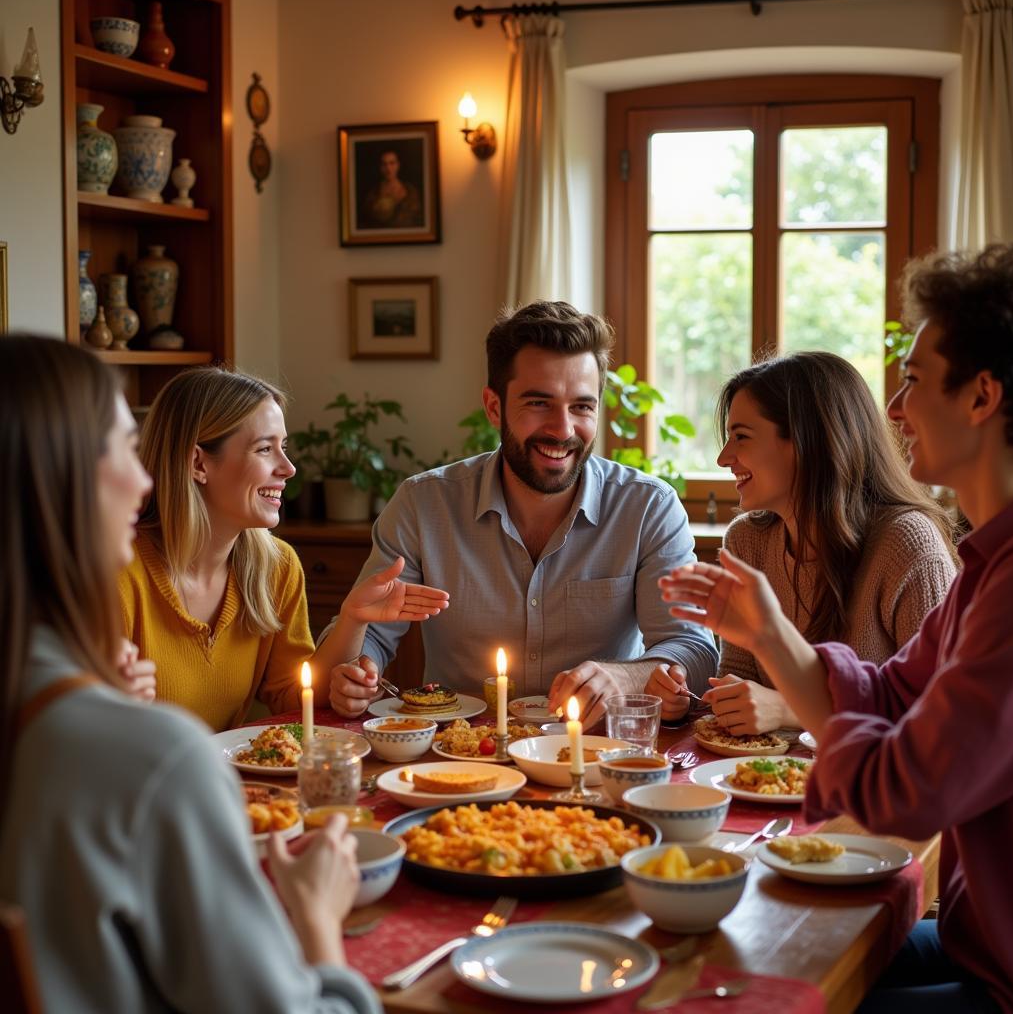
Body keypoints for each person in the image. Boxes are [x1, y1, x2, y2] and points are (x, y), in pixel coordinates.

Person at [660, 241, 1013, 1011]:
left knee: (744, 999)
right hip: (979, 933)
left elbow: (907, 793)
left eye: (915, 382)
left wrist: (781, 648)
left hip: (1008, 974)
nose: (893, 409)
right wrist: (766, 637)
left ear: (982, 398)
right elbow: (892, 695)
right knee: (721, 961)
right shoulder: (990, 564)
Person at [0, 334, 381, 1013]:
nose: (144, 479)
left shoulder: (33, 706)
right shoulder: (153, 758)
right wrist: (319, 917)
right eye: (123, 448)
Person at [322, 300, 718, 729]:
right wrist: (357, 674)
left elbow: (692, 649)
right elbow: (371, 635)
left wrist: (625, 676)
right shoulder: (423, 504)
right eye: (539, 403)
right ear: (494, 407)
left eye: (582, 407)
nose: (563, 430)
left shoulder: (648, 508)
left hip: (598, 750)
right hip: (460, 757)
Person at [120, 366, 447, 731]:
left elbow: (294, 695)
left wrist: (354, 619)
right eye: (264, 449)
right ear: (198, 463)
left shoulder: (276, 567)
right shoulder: (119, 572)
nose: (289, 468)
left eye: (284, 448)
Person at [646, 352, 957, 730]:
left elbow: (942, 721)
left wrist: (787, 710)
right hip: (763, 781)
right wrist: (692, 700)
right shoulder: (748, 540)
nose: (724, 458)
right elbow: (738, 680)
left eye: (741, 437)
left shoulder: (907, 543)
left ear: (809, 442)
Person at [359, 148, 423, 229]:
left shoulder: (411, 192)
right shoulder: (372, 194)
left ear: (398, 165)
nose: (388, 168)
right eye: (384, 164)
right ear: (380, 167)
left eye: (392, 163)